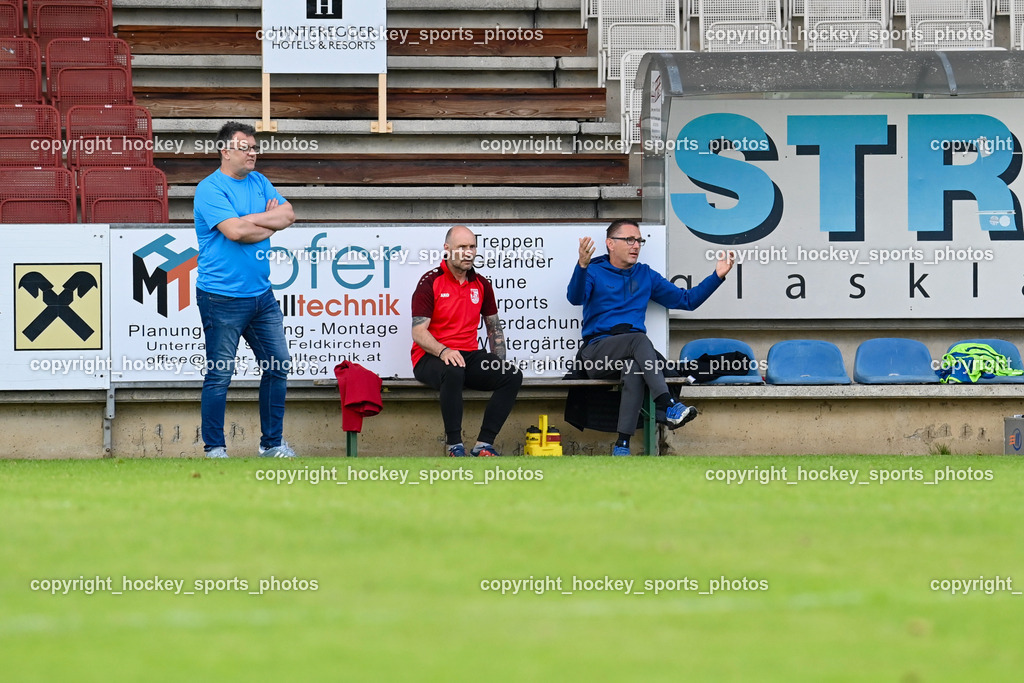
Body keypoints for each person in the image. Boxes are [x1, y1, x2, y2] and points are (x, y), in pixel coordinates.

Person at [567, 219, 735, 456]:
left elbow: (687, 301)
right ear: (610, 244)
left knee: (635, 369)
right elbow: (575, 298)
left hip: (630, 355)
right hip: (597, 353)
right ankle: (669, 405)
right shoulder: (593, 270)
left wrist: (717, 276)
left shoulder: (645, 274)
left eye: (639, 240)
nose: (636, 245)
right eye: (629, 240)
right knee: (638, 339)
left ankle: (622, 445)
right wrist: (581, 266)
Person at [193, 121, 297, 459]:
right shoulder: (210, 189)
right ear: (225, 151)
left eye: (254, 147)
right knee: (220, 374)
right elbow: (237, 232)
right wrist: (266, 223)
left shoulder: (260, 181)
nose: (253, 152)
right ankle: (215, 448)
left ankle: (271, 445)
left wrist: (251, 222)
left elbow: (288, 215)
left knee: (277, 364)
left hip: (261, 296)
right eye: (245, 147)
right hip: (220, 297)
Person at [411, 225, 524, 457]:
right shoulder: (430, 282)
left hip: (468, 355)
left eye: (472, 247)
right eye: (461, 247)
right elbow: (419, 332)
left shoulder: (481, 284)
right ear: (447, 249)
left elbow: (494, 328)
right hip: (430, 357)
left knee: (511, 375)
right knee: (453, 369)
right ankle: (454, 446)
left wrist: (497, 363)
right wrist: (443, 351)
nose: (468, 252)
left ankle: (484, 445)